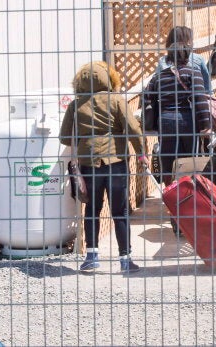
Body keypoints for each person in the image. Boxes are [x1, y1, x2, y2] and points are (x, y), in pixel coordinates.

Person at [60, 61, 149, 273]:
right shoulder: (116, 100)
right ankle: (125, 260)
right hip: (116, 162)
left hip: (89, 164)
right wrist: (141, 153)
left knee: (92, 210)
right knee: (121, 211)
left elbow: (64, 137)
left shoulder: (75, 105)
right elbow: (133, 129)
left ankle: (91, 257)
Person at [145, 44, 212, 188]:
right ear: (188, 55)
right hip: (187, 121)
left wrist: (152, 122)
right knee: (190, 160)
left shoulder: (159, 76)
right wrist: (206, 125)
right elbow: (200, 99)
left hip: (165, 122)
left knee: (169, 161)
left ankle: (171, 195)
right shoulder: (193, 73)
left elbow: (147, 98)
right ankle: (188, 195)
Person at [156, 26, 212, 95]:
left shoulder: (163, 61)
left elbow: (156, 84)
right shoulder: (198, 59)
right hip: (194, 101)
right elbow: (207, 86)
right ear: (187, 42)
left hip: (169, 101)